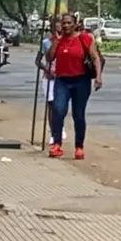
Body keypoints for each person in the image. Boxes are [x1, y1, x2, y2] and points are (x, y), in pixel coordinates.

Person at [44, 13, 103, 160]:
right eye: (64, 23)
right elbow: (49, 58)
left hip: (81, 81)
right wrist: (56, 42)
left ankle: (79, 147)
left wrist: (98, 77)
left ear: (75, 24)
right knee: (58, 110)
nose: (66, 26)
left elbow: (95, 58)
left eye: (69, 23)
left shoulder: (84, 39)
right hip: (62, 80)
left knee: (78, 114)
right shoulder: (58, 40)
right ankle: (56, 144)